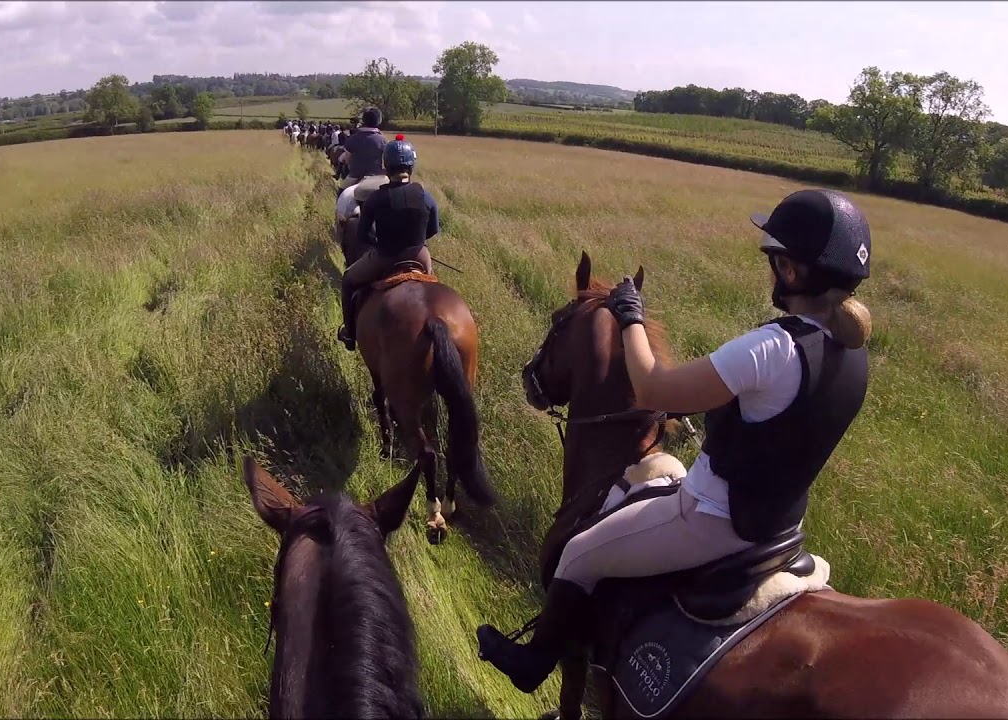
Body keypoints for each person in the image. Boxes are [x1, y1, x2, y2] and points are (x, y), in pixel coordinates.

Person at [475, 188, 875, 693]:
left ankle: (533, 662)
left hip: (712, 518)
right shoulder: (851, 355)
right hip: (780, 527)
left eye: (774, 262)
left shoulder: (772, 348)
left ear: (790, 271)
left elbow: (651, 389)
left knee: (578, 554)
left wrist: (631, 318)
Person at [337, 135, 440, 351]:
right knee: (433, 289)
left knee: (348, 280)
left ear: (386, 166)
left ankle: (350, 333)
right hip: (419, 255)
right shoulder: (426, 196)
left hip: (384, 256)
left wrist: (378, 241)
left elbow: (363, 235)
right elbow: (432, 230)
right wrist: (416, 241)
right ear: (411, 166)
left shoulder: (375, 199)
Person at [339, 107, 387, 191]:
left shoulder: (353, 138)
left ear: (364, 120)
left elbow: (347, 160)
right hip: (376, 177)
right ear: (378, 121)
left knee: (341, 192)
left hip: (355, 176)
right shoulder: (383, 139)